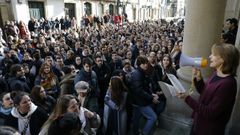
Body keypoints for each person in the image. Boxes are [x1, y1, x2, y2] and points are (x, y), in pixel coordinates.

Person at [177, 43, 240, 135]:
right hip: (199, 125)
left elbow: (210, 112)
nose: (210, 57)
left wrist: (187, 98)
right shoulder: (216, 74)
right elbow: (205, 92)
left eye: (214, 55)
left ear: (223, 59)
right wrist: (199, 79)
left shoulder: (228, 84)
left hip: (208, 130)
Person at [130, 56, 158, 135]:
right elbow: (139, 90)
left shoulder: (142, 72)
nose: (145, 65)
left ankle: (135, 132)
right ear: (139, 64)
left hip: (139, 101)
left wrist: (151, 94)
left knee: (136, 119)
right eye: (143, 63)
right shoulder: (137, 74)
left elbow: (144, 87)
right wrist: (151, 97)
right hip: (140, 102)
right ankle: (144, 133)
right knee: (153, 117)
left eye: (146, 63)